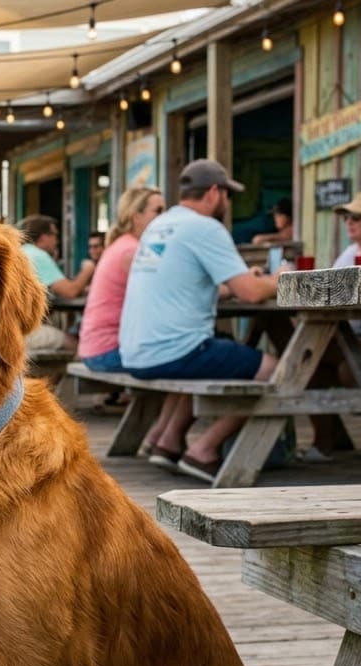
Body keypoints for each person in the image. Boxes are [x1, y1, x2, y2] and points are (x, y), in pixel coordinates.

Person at [118, 159, 280, 483]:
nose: (227, 204)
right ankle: (204, 449)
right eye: (227, 196)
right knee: (279, 371)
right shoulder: (205, 227)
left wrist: (236, 285)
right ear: (215, 193)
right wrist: (280, 278)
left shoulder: (161, 225)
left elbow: (187, 282)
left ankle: (168, 441)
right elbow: (250, 293)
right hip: (172, 352)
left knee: (211, 352)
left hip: (135, 352)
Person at [299, 191, 361, 463]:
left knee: (317, 355)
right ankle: (327, 437)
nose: (349, 223)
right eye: (346, 218)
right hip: (358, 333)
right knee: (312, 355)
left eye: (356, 217)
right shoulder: (351, 252)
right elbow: (331, 288)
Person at [78, 187, 165, 371]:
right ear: (136, 217)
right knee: (183, 359)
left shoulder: (123, 244)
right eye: (158, 211)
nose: (165, 217)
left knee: (184, 358)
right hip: (108, 351)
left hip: (97, 348)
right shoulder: (131, 252)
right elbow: (166, 293)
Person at [17, 214, 94, 354]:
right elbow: (70, 292)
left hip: (8, 329)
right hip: (20, 334)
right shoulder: (38, 255)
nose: (57, 241)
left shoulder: (22, 252)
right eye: (55, 235)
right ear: (44, 237)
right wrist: (89, 269)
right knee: (76, 345)